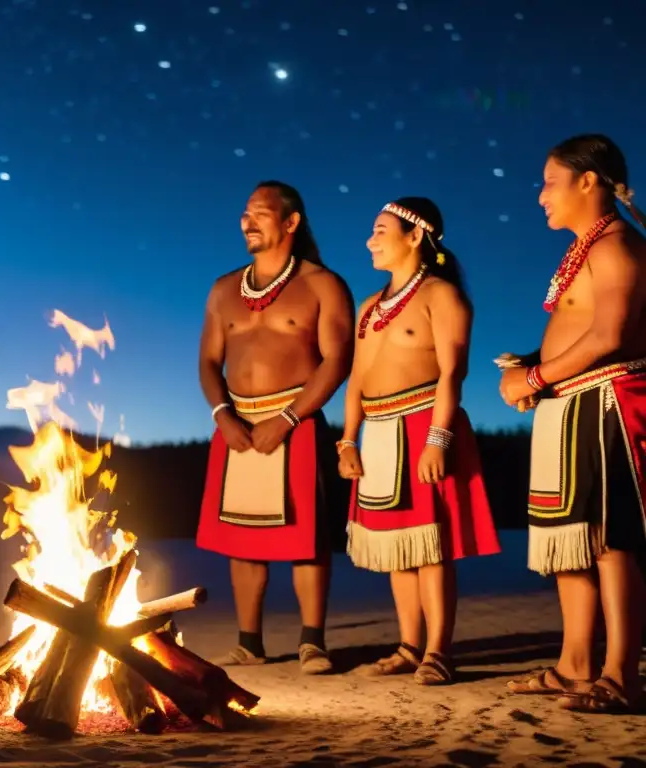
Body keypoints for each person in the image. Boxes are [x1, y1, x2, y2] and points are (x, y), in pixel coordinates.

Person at [498, 134, 646, 713]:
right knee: (571, 543)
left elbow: (609, 337)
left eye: (550, 182)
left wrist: (534, 380)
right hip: (572, 405)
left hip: (608, 402)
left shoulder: (616, 248)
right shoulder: (589, 246)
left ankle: (620, 677)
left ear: (589, 181)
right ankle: (574, 667)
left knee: (612, 542)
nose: (540, 197)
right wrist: (536, 369)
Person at [338, 197, 501, 686]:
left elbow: (454, 373)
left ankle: (438, 651)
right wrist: (348, 441)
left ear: (415, 237)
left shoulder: (442, 296)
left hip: (425, 424)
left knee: (431, 547)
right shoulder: (369, 308)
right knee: (396, 547)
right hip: (380, 431)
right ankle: (408, 646)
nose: (370, 240)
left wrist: (438, 438)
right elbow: (357, 378)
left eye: (380, 229)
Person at [196, 180, 354, 673]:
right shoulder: (224, 289)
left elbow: (338, 360)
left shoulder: (322, 284)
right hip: (236, 423)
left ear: (290, 222)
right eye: (245, 213)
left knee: (306, 537)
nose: (248, 221)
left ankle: (312, 642)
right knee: (242, 539)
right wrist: (223, 415)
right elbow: (207, 362)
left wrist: (289, 418)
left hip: (298, 419)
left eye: (260, 213)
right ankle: (249, 642)